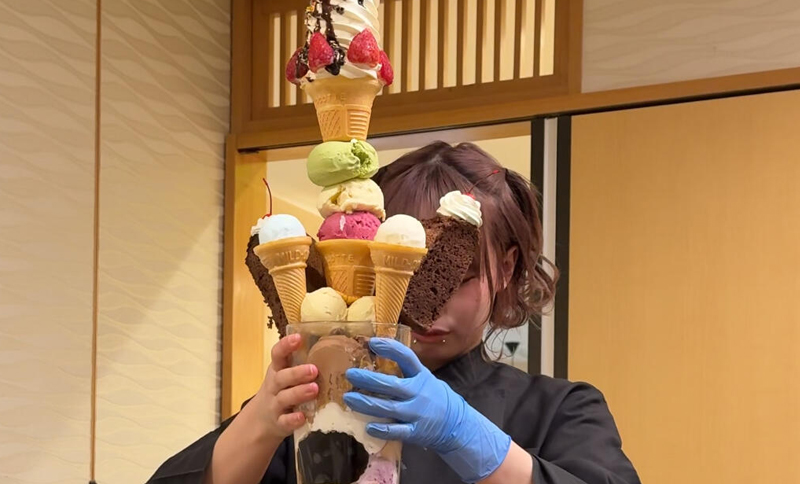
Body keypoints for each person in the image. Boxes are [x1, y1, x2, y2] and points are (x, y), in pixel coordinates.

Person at [147, 141, 640, 484]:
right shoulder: (320, 404)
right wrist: (260, 419)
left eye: (456, 278)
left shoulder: (561, 410)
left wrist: (465, 433)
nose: (428, 305)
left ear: (506, 268)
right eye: (404, 277)